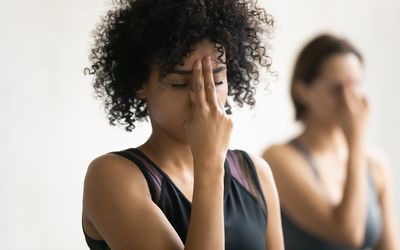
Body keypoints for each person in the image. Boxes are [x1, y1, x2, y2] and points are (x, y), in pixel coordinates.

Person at [82, 0, 284, 249]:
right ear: (139, 83)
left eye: (216, 80)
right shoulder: (113, 177)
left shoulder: (255, 173)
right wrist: (209, 162)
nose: (200, 98)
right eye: (180, 83)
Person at [263, 34, 399, 250]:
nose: (349, 100)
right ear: (302, 91)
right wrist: (355, 143)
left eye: (356, 86)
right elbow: (348, 233)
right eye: (337, 90)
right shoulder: (278, 159)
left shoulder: (377, 164)